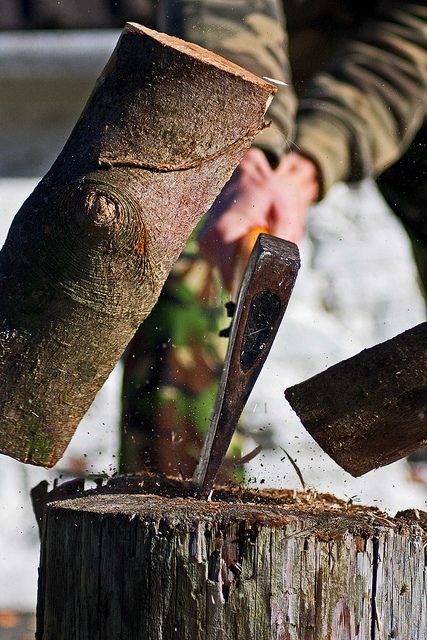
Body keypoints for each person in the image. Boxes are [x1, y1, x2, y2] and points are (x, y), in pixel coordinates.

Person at [120, 0, 427, 475]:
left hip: (403, 85)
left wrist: (309, 165)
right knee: (182, 269)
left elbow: (414, 32)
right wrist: (248, 151)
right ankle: (181, 520)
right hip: (237, 85)